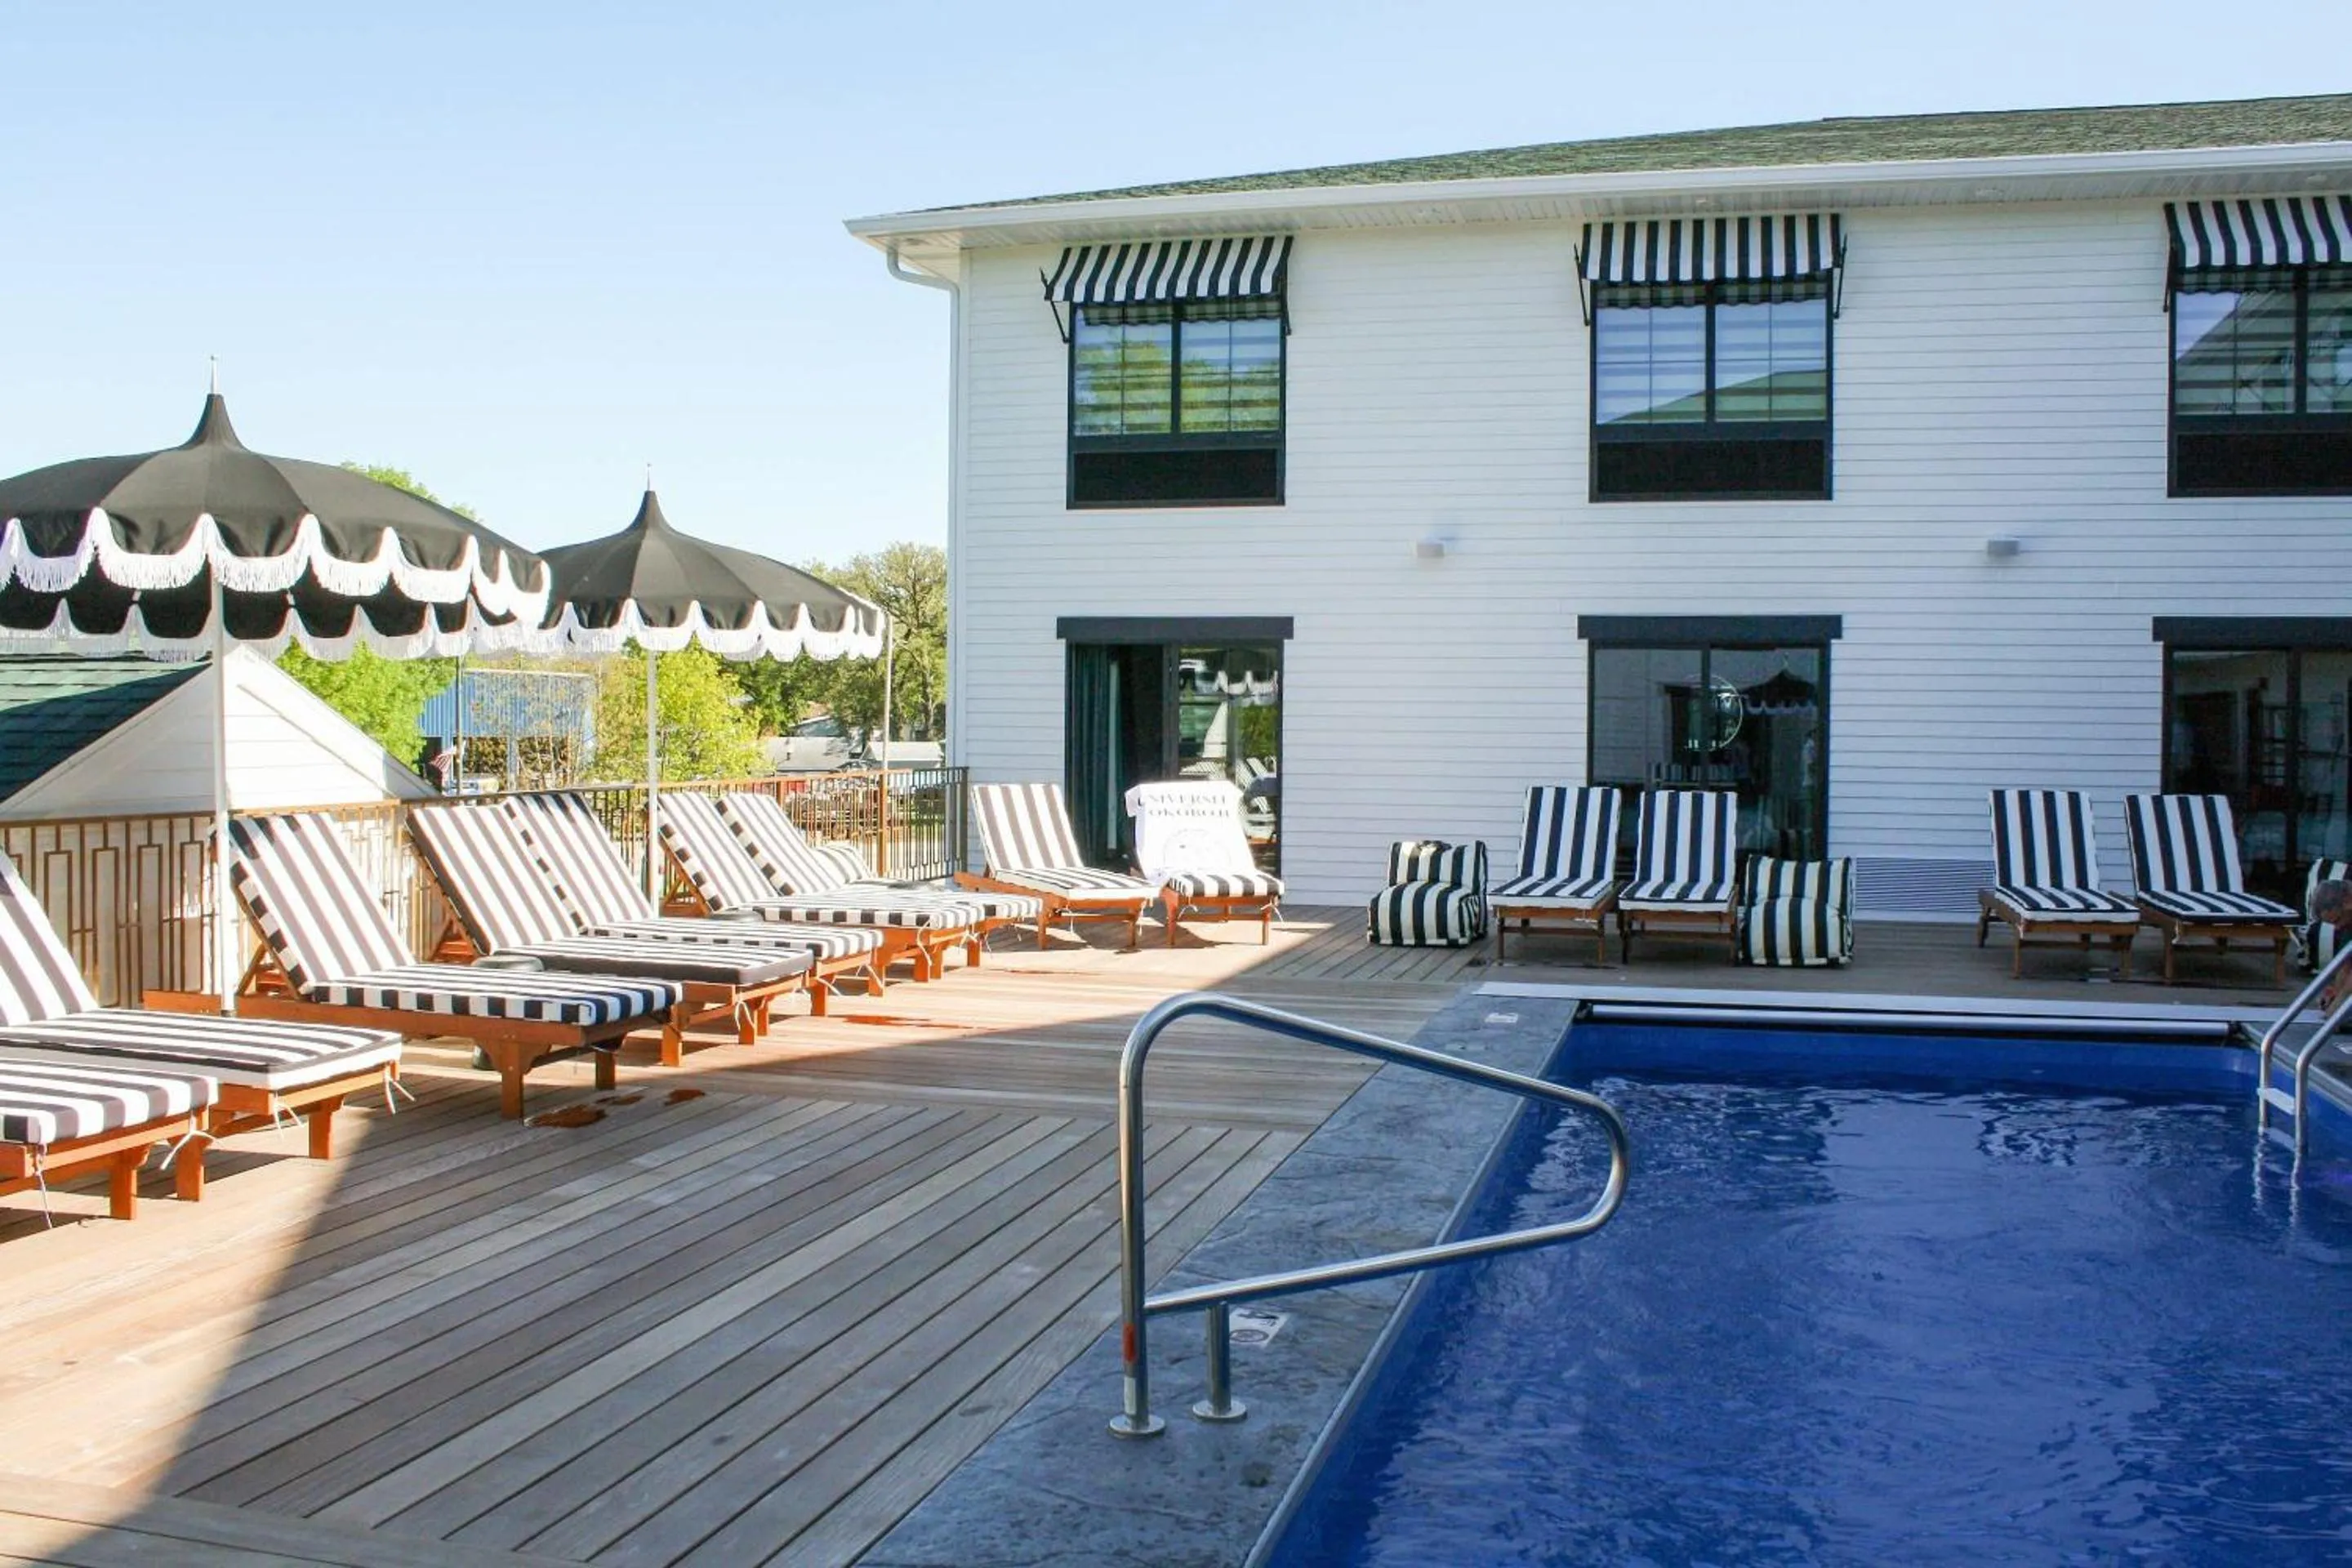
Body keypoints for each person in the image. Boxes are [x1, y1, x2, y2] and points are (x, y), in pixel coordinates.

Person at [2315, 879, 2352, 1009]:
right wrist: (2335, 993)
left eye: (2337, 920)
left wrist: (2338, 1007)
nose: (2337, 928)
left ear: (2348, 902)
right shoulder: (2348, 922)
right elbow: (2346, 965)